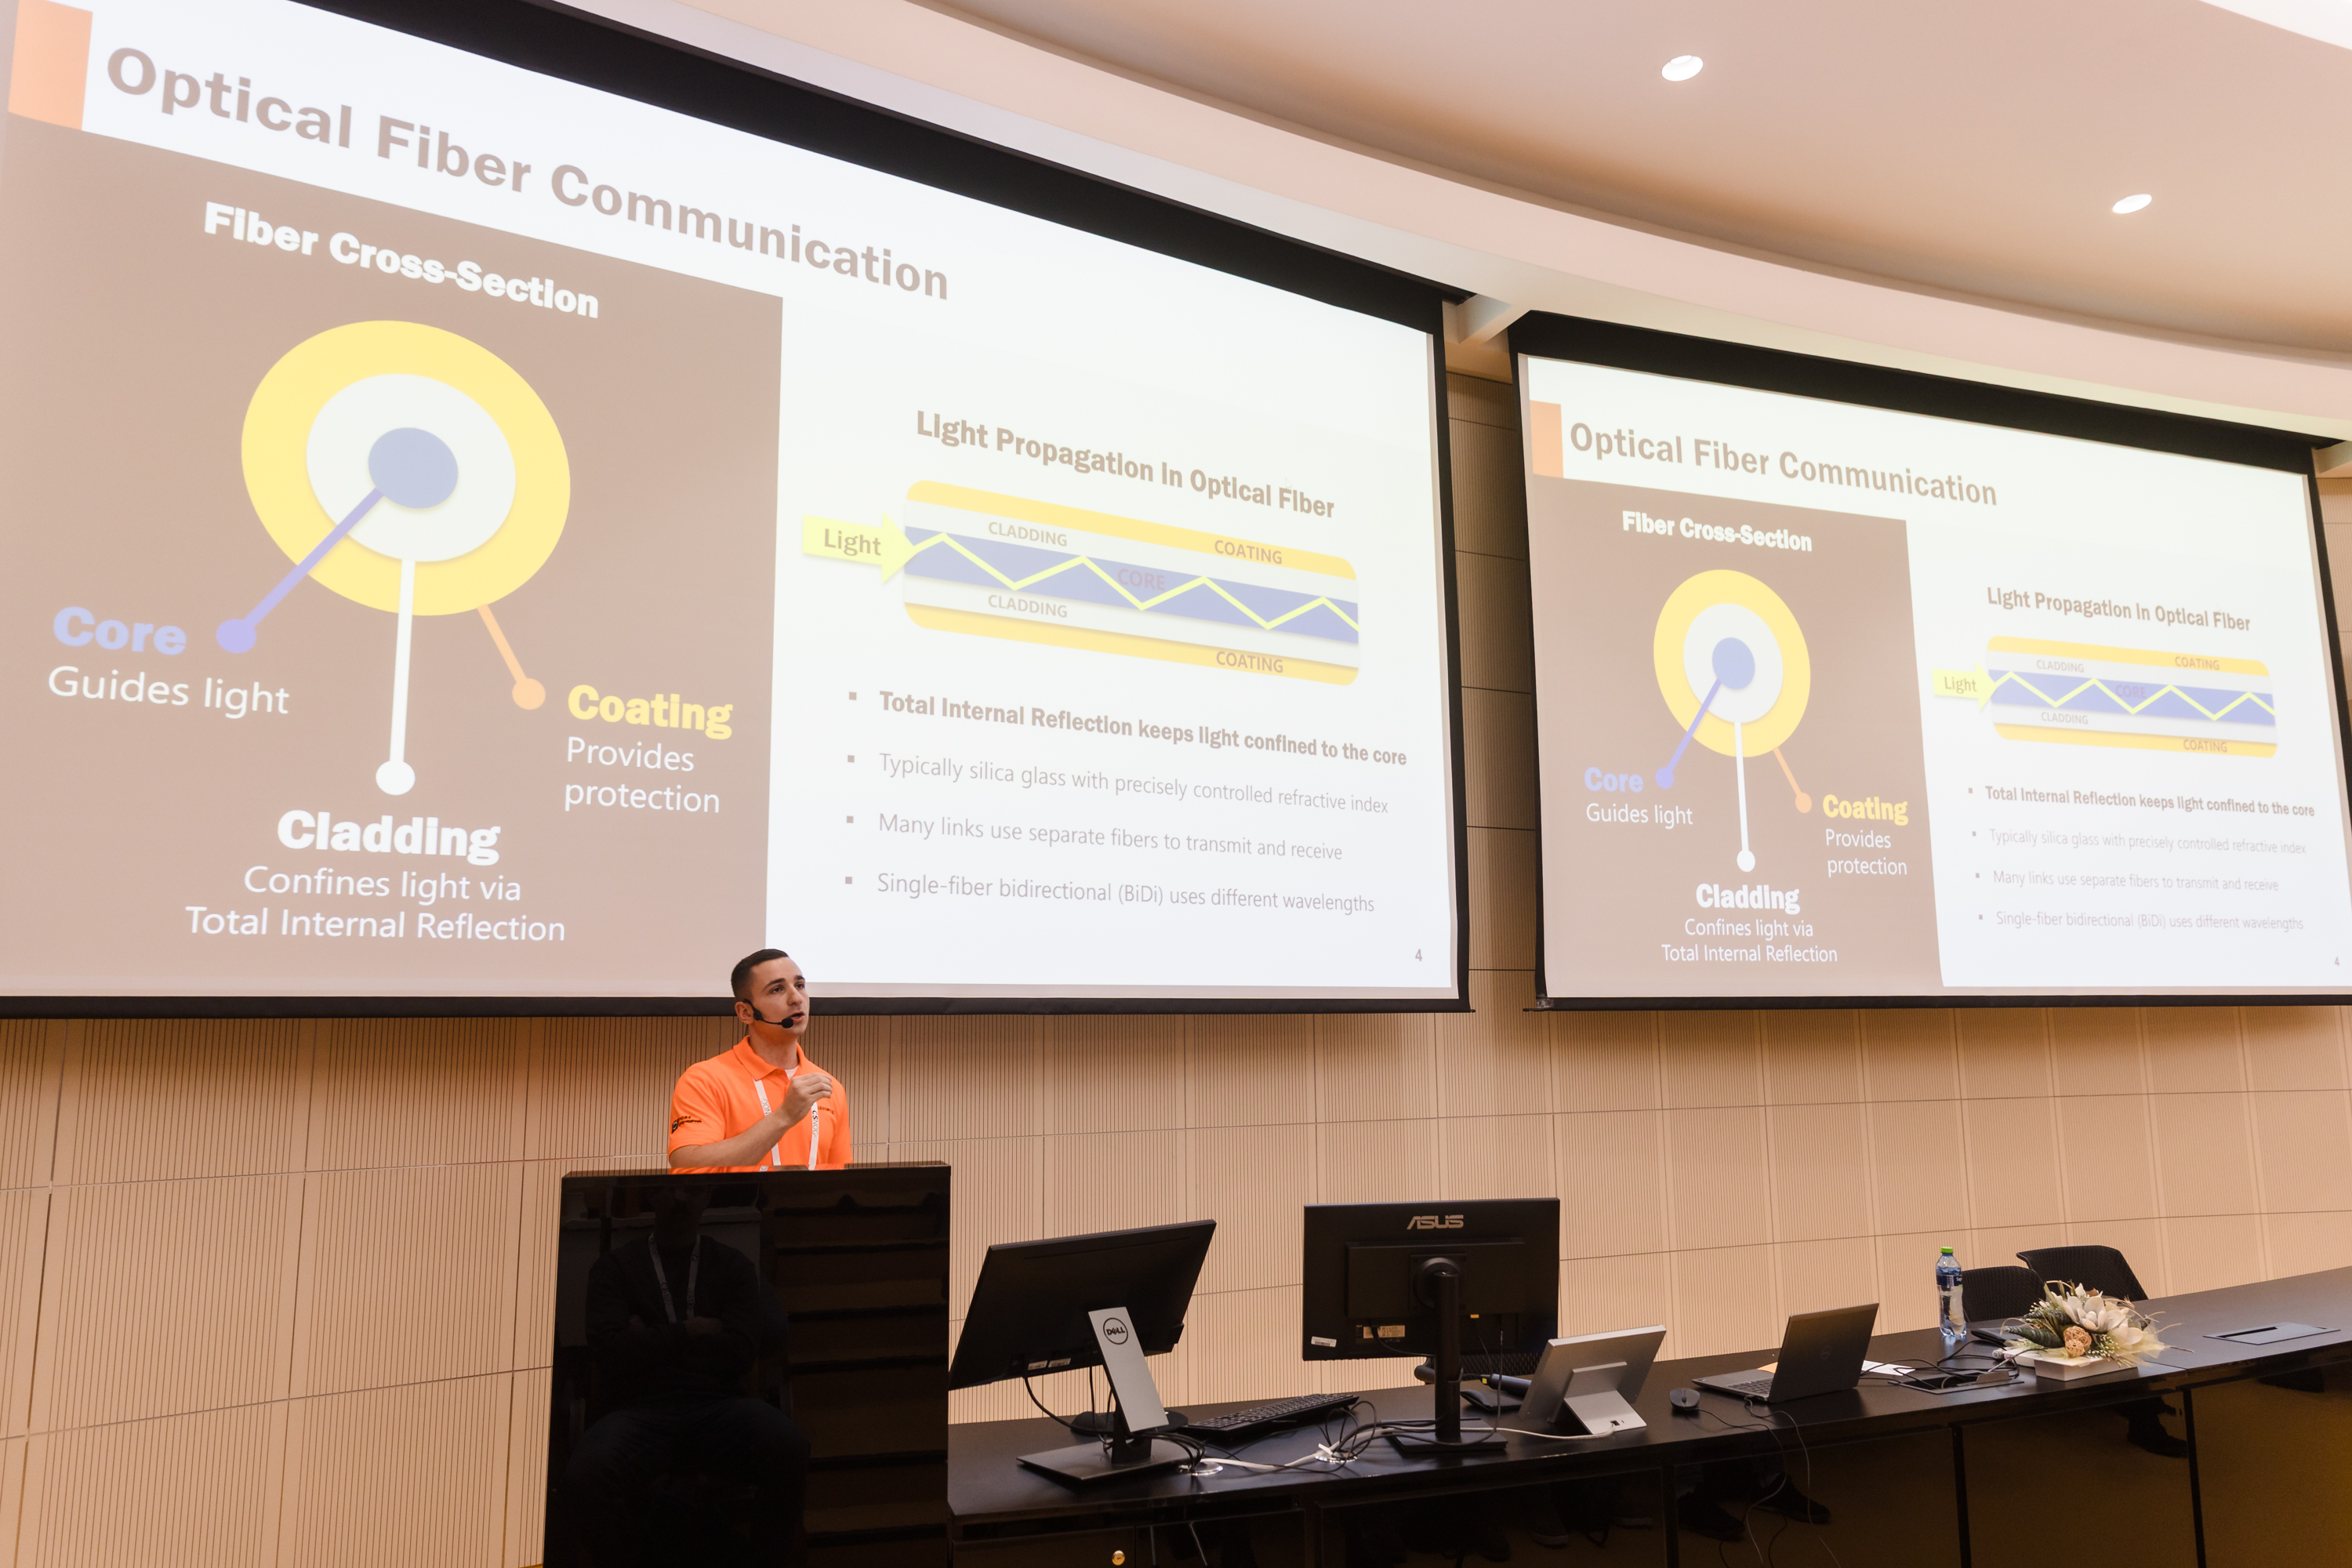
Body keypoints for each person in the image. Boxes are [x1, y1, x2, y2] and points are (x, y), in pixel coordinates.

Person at [561, 1184, 808, 1568]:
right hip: (641, 1410)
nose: (679, 1199)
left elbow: (740, 1353)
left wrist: (649, 1339)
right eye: (668, 1189)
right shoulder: (615, 1268)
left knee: (789, 1447)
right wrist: (691, 1331)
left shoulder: (733, 1266)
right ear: (651, 1195)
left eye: (691, 1189)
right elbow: (612, 1356)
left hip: (717, 1405)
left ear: (707, 1196)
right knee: (585, 1474)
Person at [670, 949, 851, 1171]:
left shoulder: (828, 1085)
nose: (796, 998)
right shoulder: (704, 1080)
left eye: (800, 985)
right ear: (746, 1013)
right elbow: (687, 1165)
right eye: (777, 989)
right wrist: (784, 1117)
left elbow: (839, 1177)